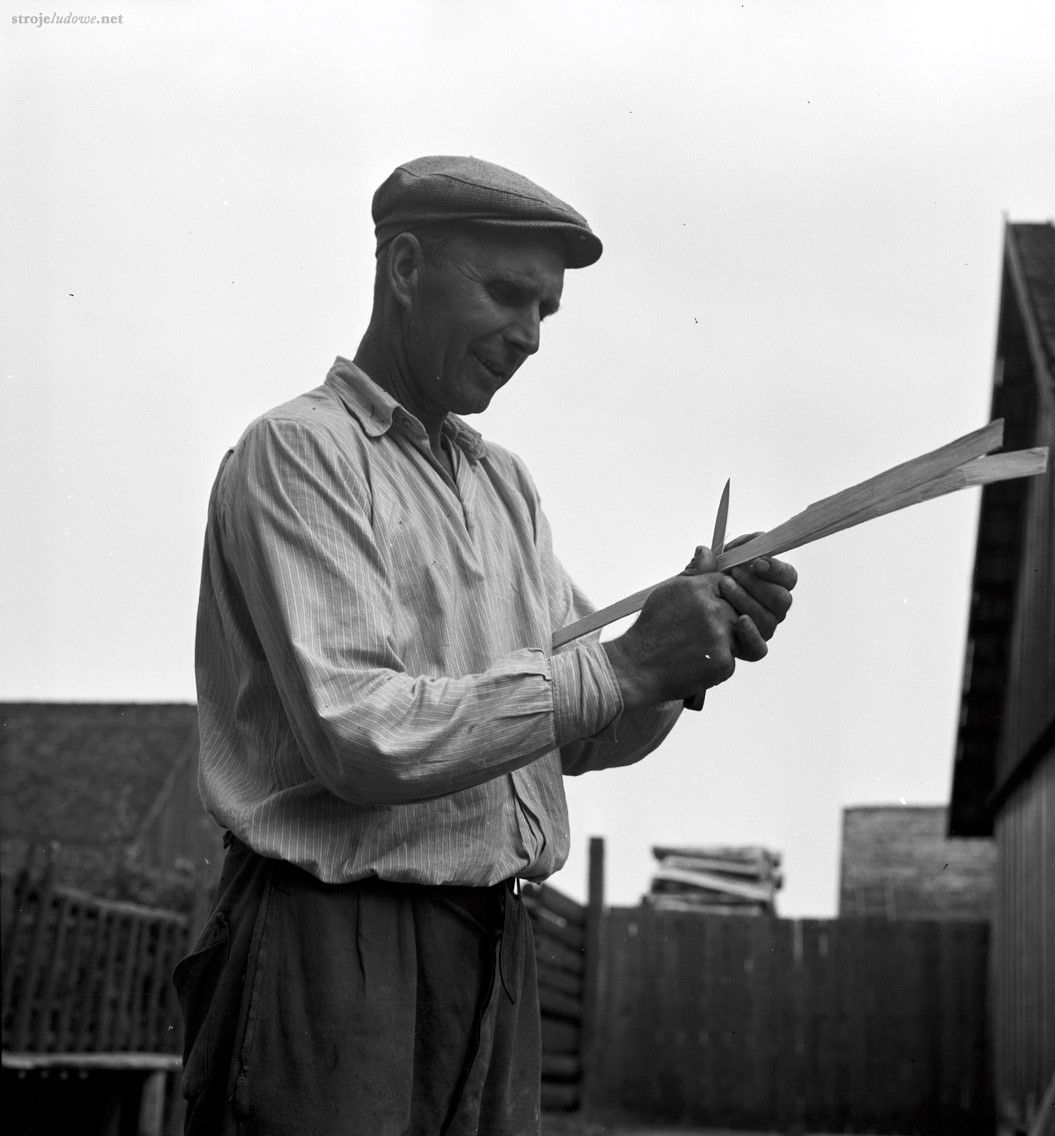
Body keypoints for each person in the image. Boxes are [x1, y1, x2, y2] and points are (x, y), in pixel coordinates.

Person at [175, 155, 798, 1136]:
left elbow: (581, 731)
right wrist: (631, 662)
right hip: (334, 943)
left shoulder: (503, 486)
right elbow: (361, 734)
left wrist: (680, 660)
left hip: (497, 946)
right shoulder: (299, 454)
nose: (531, 336)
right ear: (408, 267)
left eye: (547, 311)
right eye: (508, 295)